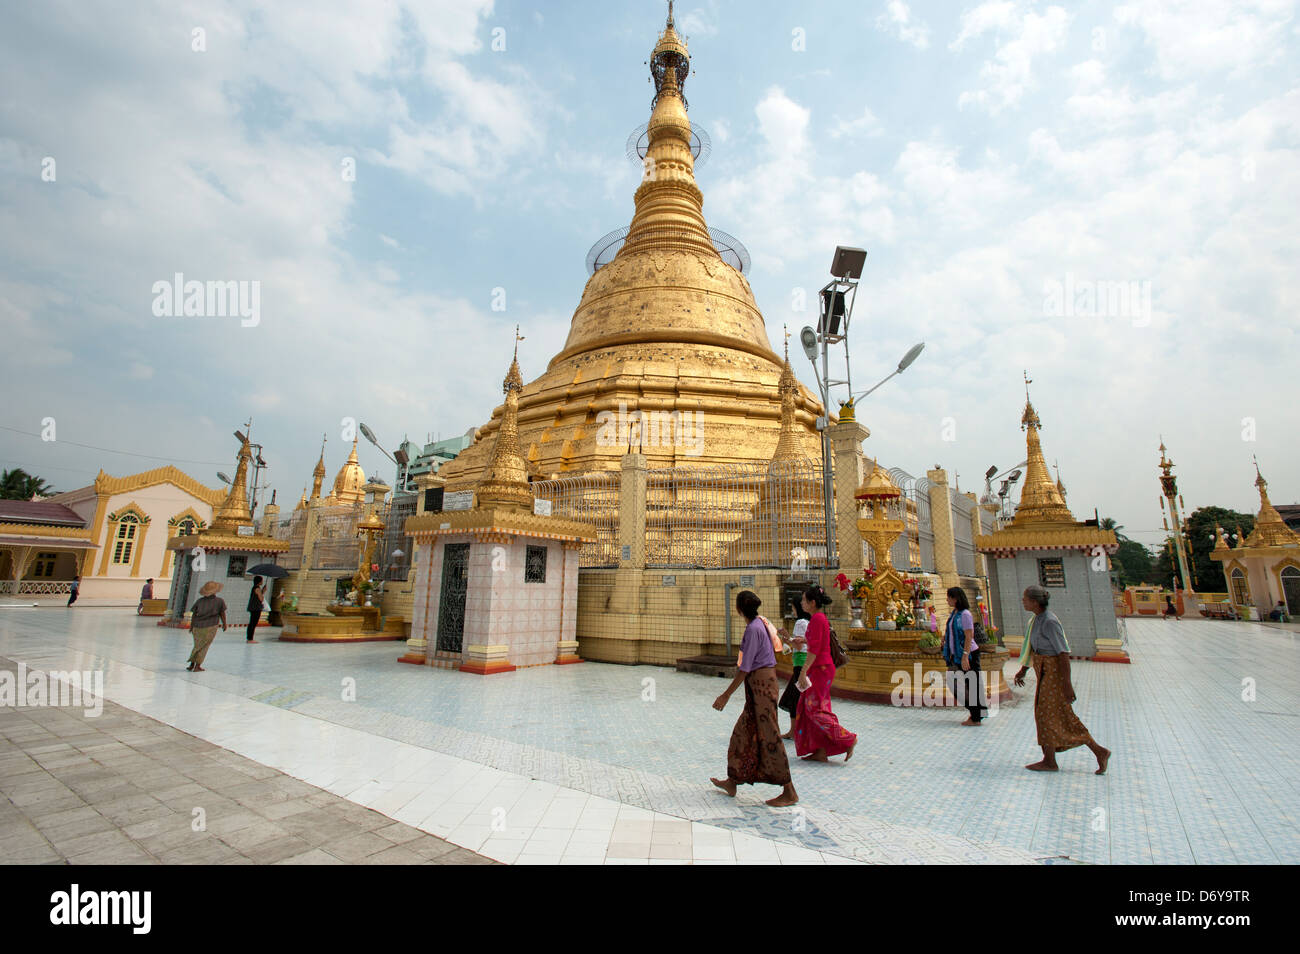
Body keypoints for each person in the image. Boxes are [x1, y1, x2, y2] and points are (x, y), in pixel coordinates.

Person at [710, 590, 798, 807]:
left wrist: (725, 695)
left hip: (761, 686)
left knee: (770, 736)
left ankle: (789, 790)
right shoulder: (762, 623)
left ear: (739, 610)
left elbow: (744, 668)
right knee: (742, 733)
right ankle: (733, 781)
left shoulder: (753, 629)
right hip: (762, 685)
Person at [1013, 585, 1110, 774]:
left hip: (1053, 673)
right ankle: (1049, 759)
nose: (1023, 601)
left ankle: (1099, 751)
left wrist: (1067, 685)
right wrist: (1024, 669)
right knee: (1044, 715)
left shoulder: (1050, 622)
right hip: (1043, 671)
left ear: (1034, 602)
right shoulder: (1036, 620)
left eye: (1025, 599)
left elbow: (1063, 653)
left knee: (1062, 715)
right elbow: (1034, 648)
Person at [794, 585, 857, 762]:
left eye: (805, 600)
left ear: (812, 603)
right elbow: (817, 640)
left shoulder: (817, 619)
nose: (802, 603)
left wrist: (803, 671)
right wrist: (804, 639)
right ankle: (820, 749)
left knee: (815, 710)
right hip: (819, 667)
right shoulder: (818, 619)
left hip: (819, 668)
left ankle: (847, 738)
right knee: (808, 708)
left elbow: (814, 650)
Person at [943, 586, 985, 725]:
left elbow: (969, 635)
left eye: (949, 597)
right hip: (957, 655)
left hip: (969, 653)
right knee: (954, 681)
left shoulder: (965, 614)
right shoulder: (954, 613)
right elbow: (952, 631)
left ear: (955, 599)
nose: (947, 599)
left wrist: (965, 656)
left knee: (972, 684)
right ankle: (976, 713)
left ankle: (976, 717)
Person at [777, 599, 811, 739]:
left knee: (793, 698)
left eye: (793, 608)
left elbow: (797, 645)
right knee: (796, 697)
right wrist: (787, 639)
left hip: (800, 664)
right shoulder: (809, 622)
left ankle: (794, 731)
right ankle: (796, 730)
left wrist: (786, 636)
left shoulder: (800, 622)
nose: (793, 611)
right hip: (804, 662)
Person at [187, 581, 227, 672]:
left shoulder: (199, 601)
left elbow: (194, 614)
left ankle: (192, 664)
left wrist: (191, 626)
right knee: (204, 646)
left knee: (197, 646)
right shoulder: (219, 601)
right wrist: (224, 624)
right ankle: (197, 666)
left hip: (197, 626)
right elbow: (222, 613)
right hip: (210, 626)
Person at [246, 575, 265, 643]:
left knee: (252, 623)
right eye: (262, 580)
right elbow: (261, 599)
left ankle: (249, 638)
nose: (262, 581)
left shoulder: (254, 588)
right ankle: (250, 639)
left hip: (252, 607)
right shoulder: (258, 589)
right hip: (256, 608)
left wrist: (263, 591)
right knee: (253, 623)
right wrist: (263, 592)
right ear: (259, 581)